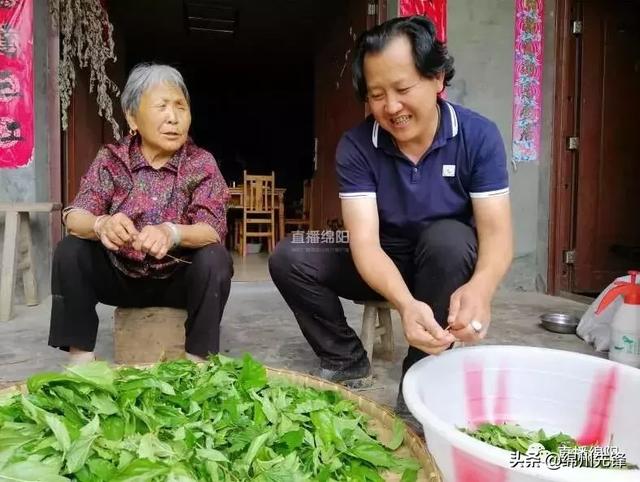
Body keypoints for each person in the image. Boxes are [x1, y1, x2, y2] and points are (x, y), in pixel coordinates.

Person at [269, 16, 513, 432]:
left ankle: (419, 375)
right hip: (381, 260)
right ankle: (344, 358)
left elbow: (496, 234)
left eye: (402, 89)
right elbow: (364, 244)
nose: (392, 107)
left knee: (451, 238)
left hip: (443, 265)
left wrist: (481, 288)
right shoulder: (358, 146)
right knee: (292, 254)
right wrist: (404, 304)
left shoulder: (478, 136)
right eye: (377, 95)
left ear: (437, 79)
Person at [48, 63, 233, 364]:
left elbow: (212, 227)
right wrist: (101, 224)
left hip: (177, 280)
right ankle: (80, 360)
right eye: (162, 107)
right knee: (71, 250)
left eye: (181, 107)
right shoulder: (111, 159)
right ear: (133, 117)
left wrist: (171, 233)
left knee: (215, 258)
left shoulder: (201, 162)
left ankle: (198, 361)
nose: (174, 118)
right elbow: (75, 216)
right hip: (120, 277)